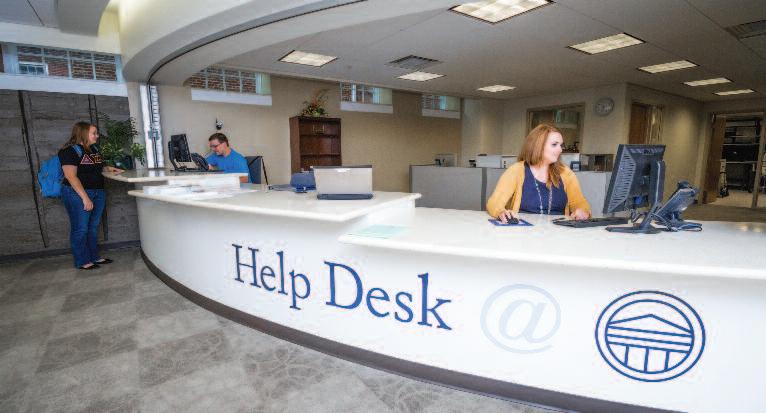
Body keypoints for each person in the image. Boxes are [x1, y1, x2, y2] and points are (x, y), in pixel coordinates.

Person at [487, 124, 591, 223]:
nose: (560, 150)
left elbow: (579, 202)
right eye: (554, 145)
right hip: (523, 231)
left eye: (561, 145)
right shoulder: (516, 171)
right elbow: (494, 202)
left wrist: (583, 211)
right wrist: (501, 212)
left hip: (558, 231)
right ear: (538, 146)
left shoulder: (566, 173)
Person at [59, 121, 123, 270]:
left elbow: (96, 167)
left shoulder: (93, 148)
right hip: (77, 193)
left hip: (98, 191)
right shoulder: (69, 151)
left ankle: (94, 257)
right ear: (83, 133)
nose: (97, 136)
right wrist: (85, 198)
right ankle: (82, 261)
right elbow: (71, 176)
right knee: (81, 228)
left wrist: (109, 169)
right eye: (94, 133)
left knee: (93, 227)